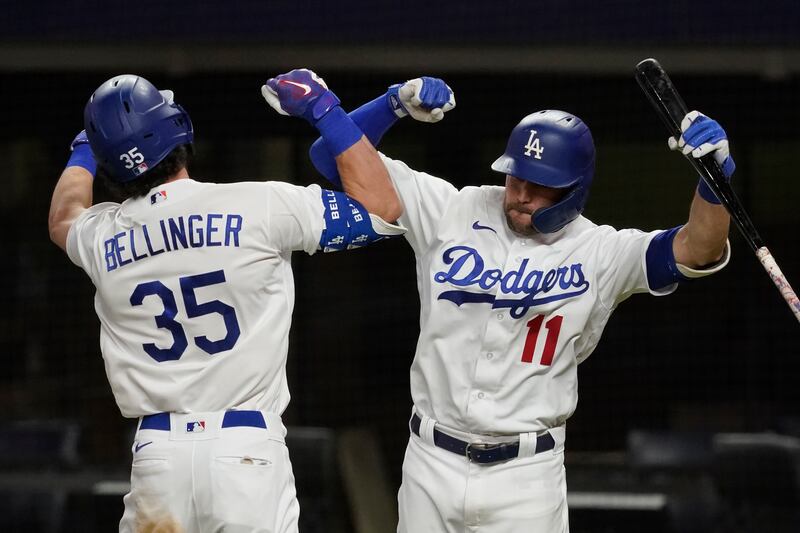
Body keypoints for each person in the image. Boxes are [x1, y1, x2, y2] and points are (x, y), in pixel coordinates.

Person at [308, 77, 733, 532]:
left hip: (526, 476)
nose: (522, 195)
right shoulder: (452, 209)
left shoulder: (600, 251)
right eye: (516, 177)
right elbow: (332, 158)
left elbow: (698, 249)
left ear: (575, 188)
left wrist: (714, 181)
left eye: (541, 185)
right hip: (429, 463)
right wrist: (391, 104)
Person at [48, 69, 403, 533]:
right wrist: (323, 109)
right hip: (245, 452)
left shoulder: (102, 236)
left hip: (158, 459)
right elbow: (381, 207)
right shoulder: (257, 204)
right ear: (178, 128)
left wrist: (85, 149)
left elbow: (63, 217)